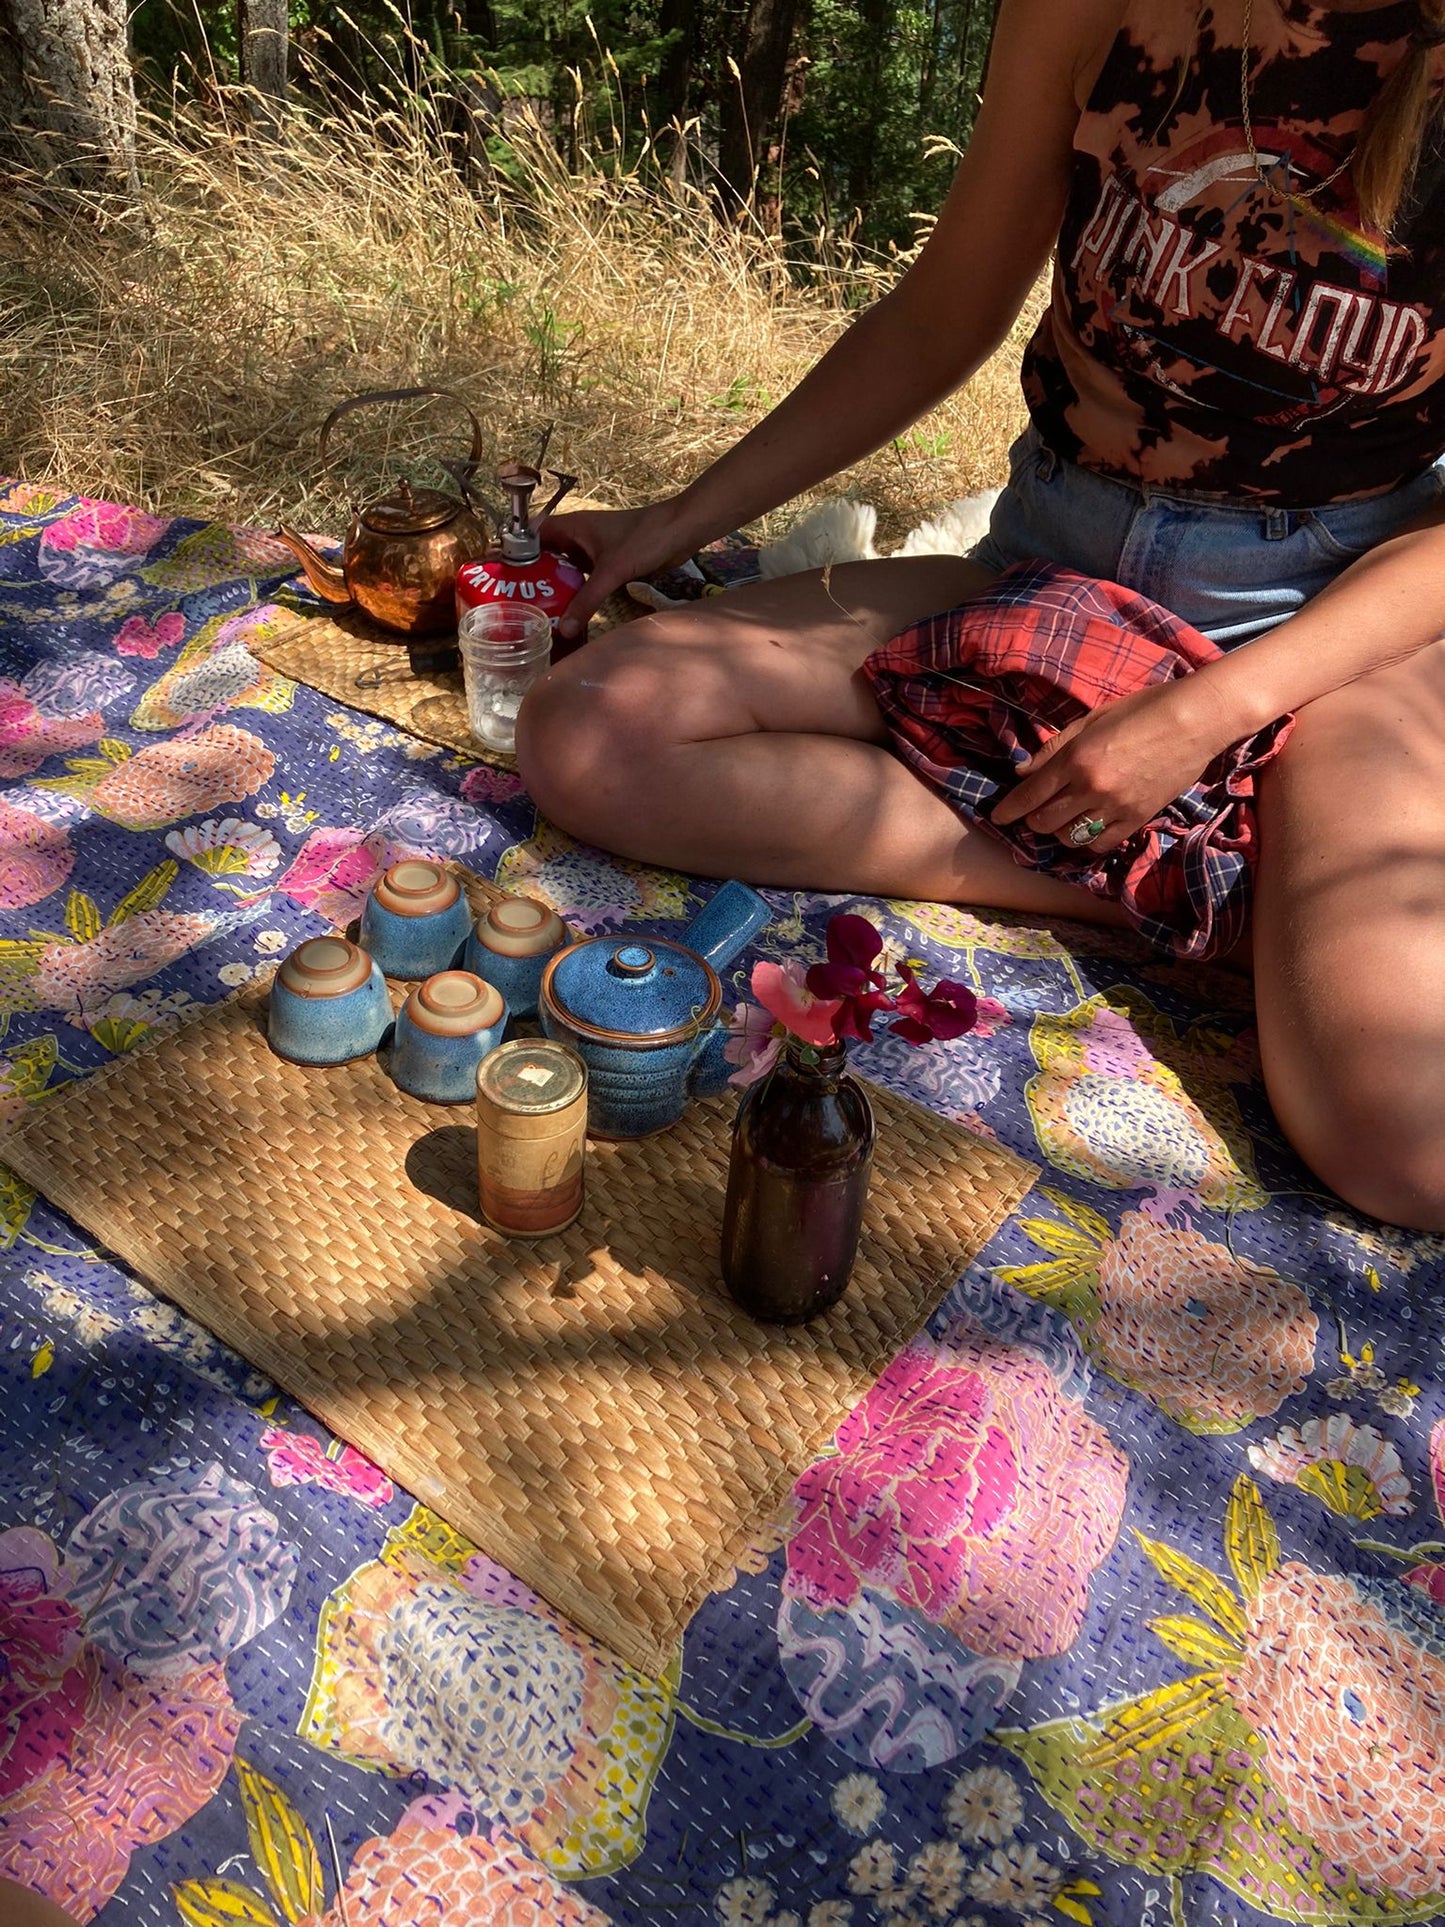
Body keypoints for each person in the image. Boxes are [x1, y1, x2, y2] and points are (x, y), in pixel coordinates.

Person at [515, 0, 1445, 1230]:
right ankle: (1201, 888)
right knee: (589, 728)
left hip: (1324, 628)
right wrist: (669, 526)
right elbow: (938, 314)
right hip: (1052, 559)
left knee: (1404, 1152)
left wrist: (1208, 712)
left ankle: (1240, 853)